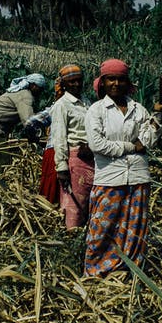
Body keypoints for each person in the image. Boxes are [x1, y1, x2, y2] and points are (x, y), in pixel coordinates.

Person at [83, 59, 162, 276]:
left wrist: (157, 114)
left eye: (121, 79)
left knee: (134, 229)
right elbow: (97, 144)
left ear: (127, 82)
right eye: (111, 79)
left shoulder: (137, 109)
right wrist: (130, 146)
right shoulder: (97, 110)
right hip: (109, 178)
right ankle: (96, 271)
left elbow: (148, 139)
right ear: (102, 82)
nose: (116, 83)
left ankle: (128, 271)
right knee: (102, 229)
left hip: (138, 177)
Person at [0, 73, 48, 172]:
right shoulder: (25, 95)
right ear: (33, 85)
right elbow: (29, 121)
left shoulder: (16, 92)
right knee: (0, 162)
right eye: (40, 89)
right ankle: (0, 185)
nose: (41, 92)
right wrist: (36, 139)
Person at [50, 64, 93, 229]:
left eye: (79, 81)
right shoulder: (62, 105)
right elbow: (59, 137)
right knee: (74, 203)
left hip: (91, 155)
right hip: (75, 157)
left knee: (89, 200)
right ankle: (71, 235)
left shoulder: (86, 101)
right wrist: (61, 167)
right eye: (72, 81)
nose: (76, 84)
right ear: (64, 84)